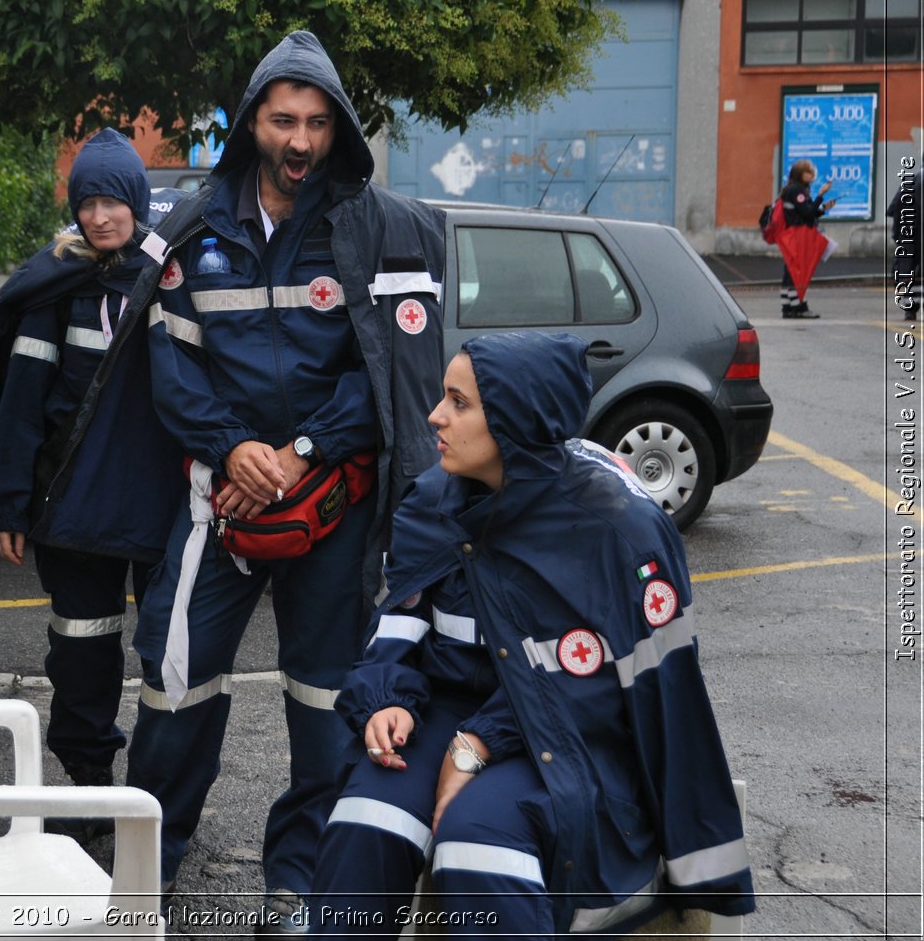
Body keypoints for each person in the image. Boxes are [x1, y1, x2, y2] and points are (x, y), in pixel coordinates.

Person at [117, 31, 447, 930]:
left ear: (337, 127)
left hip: (332, 504)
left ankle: (296, 882)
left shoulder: (384, 229)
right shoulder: (190, 230)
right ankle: (149, 867)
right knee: (175, 679)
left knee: (325, 697)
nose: (300, 141)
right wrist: (234, 452)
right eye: (282, 120)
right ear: (250, 122)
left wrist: (299, 452)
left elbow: (385, 371)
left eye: (316, 122)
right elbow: (169, 367)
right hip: (217, 500)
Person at [311, 331, 755, 937]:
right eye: (444, 396)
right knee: (368, 819)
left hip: (565, 729)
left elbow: (624, 693)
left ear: (516, 420)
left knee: (479, 841)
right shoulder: (434, 499)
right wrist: (385, 697)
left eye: (459, 402)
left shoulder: (617, 531)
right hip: (443, 710)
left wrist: (477, 743)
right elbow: (399, 620)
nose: (435, 416)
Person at [0, 130, 185, 829]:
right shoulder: (55, 282)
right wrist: (8, 502)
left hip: (162, 504)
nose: (99, 216)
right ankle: (89, 778)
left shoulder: (175, 273)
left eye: (112, 201)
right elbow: (19, 407)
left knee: (173, 656)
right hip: (77, 509)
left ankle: (159, 792)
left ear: (135, 199)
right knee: (80, 649)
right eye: (87, 202)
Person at [777, 159, 834, 319]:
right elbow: (807, 214)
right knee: (798, 271)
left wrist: (822, 209)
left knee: (790, 270)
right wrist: (820, 196)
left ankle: (788, 306)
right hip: (798, 235)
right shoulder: (797, 191)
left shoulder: (794, 189)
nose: (812, 174)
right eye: (809, 171)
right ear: (800, 174)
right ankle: (798, 308)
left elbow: (808, 212)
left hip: (792, 233)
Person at [888, 167, 918, 322]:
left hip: (907, 236)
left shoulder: (909, 183)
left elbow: (891, 209)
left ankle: (909, 309)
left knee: (905, 272)